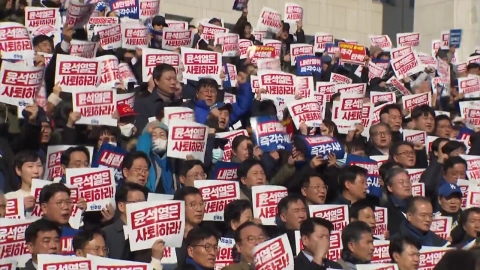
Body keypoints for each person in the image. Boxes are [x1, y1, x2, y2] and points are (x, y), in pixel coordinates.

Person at [102, 182, 164, 267]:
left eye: (144, 202)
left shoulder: (153, 233)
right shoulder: (106, 234)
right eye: (137, 202)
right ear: (121, 206)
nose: (142, 207)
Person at [173, 186, 206, 267]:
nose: (199, 209)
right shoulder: (170, 241)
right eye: (193, 204)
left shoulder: (208, 236)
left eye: (201, 204)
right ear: (179, 207)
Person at [383, 167, 413, 235]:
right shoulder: (385, 211)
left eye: (408, 181)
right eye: (401, 182)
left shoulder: (417, 205)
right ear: (390, 188)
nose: (406, 185)